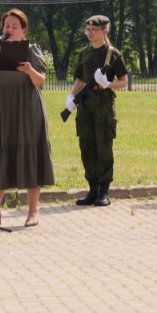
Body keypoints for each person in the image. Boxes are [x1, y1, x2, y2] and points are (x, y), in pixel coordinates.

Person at [0, 8, 54, 227]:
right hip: (2, 108)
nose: (9, 29)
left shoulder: (31, 49)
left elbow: (40, 81)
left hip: (27, 108)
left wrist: (30, 70)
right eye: (6, 26)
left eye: (14, 26)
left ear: (23, 30)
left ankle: (33, 212)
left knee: (30, 152)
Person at [65, 15, 129, 207]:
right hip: (85, 107)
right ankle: (92, 189)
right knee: (87, 146)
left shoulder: (112, 54)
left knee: (103, 147)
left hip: (103, 106)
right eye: (88, 29)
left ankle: (104, 191)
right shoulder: (83, 53)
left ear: (104, 31)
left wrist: (108, 84)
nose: (90, 33)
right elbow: (80, 80)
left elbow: (124, 81)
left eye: (94, 29)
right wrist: (71, 97)